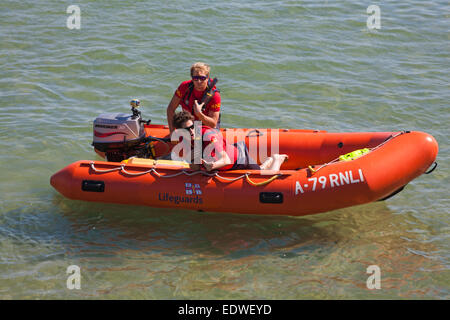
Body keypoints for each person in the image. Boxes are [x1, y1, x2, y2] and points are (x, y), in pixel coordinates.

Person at [172, 111, 288, 172]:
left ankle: (277, 159)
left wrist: (212, 165)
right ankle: (270, 159)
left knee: (266, 176)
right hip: (227, 153)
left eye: (192, 127)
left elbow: (226, 160)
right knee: (261, 170)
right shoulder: (184, 138)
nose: (191, 131)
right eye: (186, 130)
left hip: (238, 159)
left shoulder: (208, 135)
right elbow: (195, 166)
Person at [166, 62, 221, 133]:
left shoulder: (214, 95)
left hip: (205, 125)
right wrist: (172, 133)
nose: (199, 81)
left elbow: (213, 124)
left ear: (207, 78)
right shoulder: (184, 87)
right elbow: (170, 108)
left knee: (203, 140)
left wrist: (199, 114)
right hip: (188, 124)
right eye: (196, 78)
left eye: (202, 78)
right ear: (192, 78)